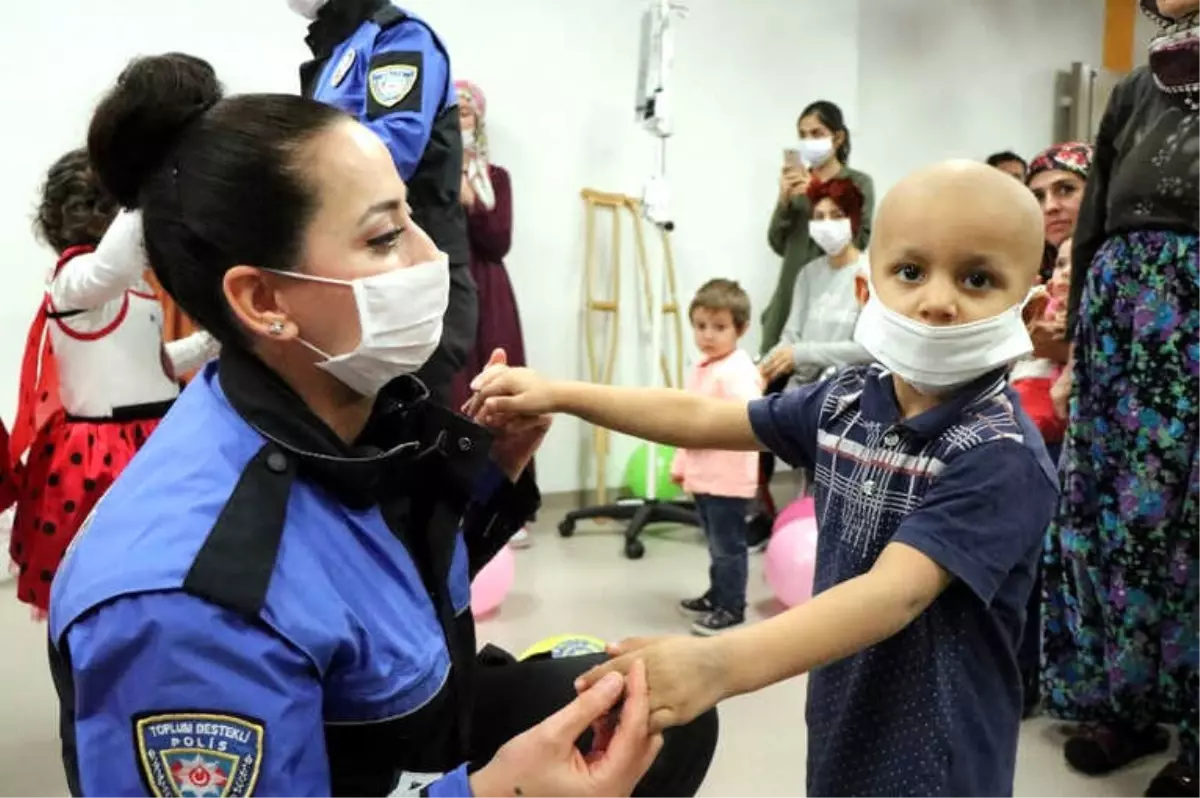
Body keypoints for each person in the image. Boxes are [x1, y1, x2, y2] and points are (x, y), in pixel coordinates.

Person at [47, 52, 717, 798]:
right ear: (264, 300)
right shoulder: (191, 608)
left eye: (414, 220)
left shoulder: (338, 410)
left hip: (415, 731)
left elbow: (362, 578)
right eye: (383, 237)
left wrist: (494, 480)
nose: (431, 259)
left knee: (666, 712)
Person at [470, 161, 1059, 797]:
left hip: (941, 753)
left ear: (1029, 312)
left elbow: (897, 593)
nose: (938, 302)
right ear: (869, 291)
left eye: (978, 278)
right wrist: (561, 393)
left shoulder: (1001, 455)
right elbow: (701, 415)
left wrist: (718, 664)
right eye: (910, 271)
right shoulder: (844, 400)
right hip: (843, 714)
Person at [1040, 1, 1200, 793]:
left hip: (1192, 324)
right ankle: (1126, 707)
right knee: (1114, 522)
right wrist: (1074, 355)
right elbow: (1094, 222)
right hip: (1118, 327)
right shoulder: (1137, 89)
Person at [6, 148, 218, 617]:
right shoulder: (75, 280)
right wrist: (147, 185)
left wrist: (207, 345)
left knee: (163, 572)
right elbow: (112, 264)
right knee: (111, 580)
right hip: (105, 453)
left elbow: (149, 366)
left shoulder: (127, 288)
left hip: (148, 434)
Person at [293, 0, 476, 406]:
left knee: (413, 428)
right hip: (362, 274)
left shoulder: (396, 37)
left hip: (411, 271)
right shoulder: (338, 49)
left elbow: (393, 150)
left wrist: (292, 179)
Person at [449, 78, 534, 548]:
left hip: (490, 290)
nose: (462, 120)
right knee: (457, 391)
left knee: (500, 386)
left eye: (468, 112)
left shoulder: (495, 177)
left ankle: (509, 499)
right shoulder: (429, 173)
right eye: (454, 112)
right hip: (449, 290)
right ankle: (461, 498)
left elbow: (498, 239)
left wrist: (472, 201)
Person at [672, 279, 763, 635]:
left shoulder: (737, 371)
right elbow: (686, 423)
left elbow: (746, 417)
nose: (708, 335)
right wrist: (682, 466)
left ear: (741, 329)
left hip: (727, 479)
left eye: (719, 327)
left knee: (728, 547)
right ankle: (717, 594)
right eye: (700, 326)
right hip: (705, 476)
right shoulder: (705, 367)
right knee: (715, 543)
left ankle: (732, 606)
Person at [762, 100, 874, 359]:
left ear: (837, 138)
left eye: (816, 133)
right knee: (776, 363)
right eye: (802, 134)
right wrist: (784, 201)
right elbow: (777, 243)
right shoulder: (796, 184)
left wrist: (817, 195)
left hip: (837, 298)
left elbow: (859, 239)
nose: (808, 140)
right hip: (793, 286)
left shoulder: (856, 183)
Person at [759, 177, 871, 389]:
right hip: (797, 393)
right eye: (819, 217)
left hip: (845, 392)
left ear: (853, 221)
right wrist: (761, 371)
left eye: (836, 216)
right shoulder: (808, 274)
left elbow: (868, 350)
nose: (826, 224)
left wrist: (803, 353)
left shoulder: (870, 276)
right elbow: (791, 337)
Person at [1026, 141, 1092, 281]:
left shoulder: (1127, 265)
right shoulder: (1027, 275)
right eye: (1038, 197)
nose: (1050, 207)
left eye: (1066, 190)